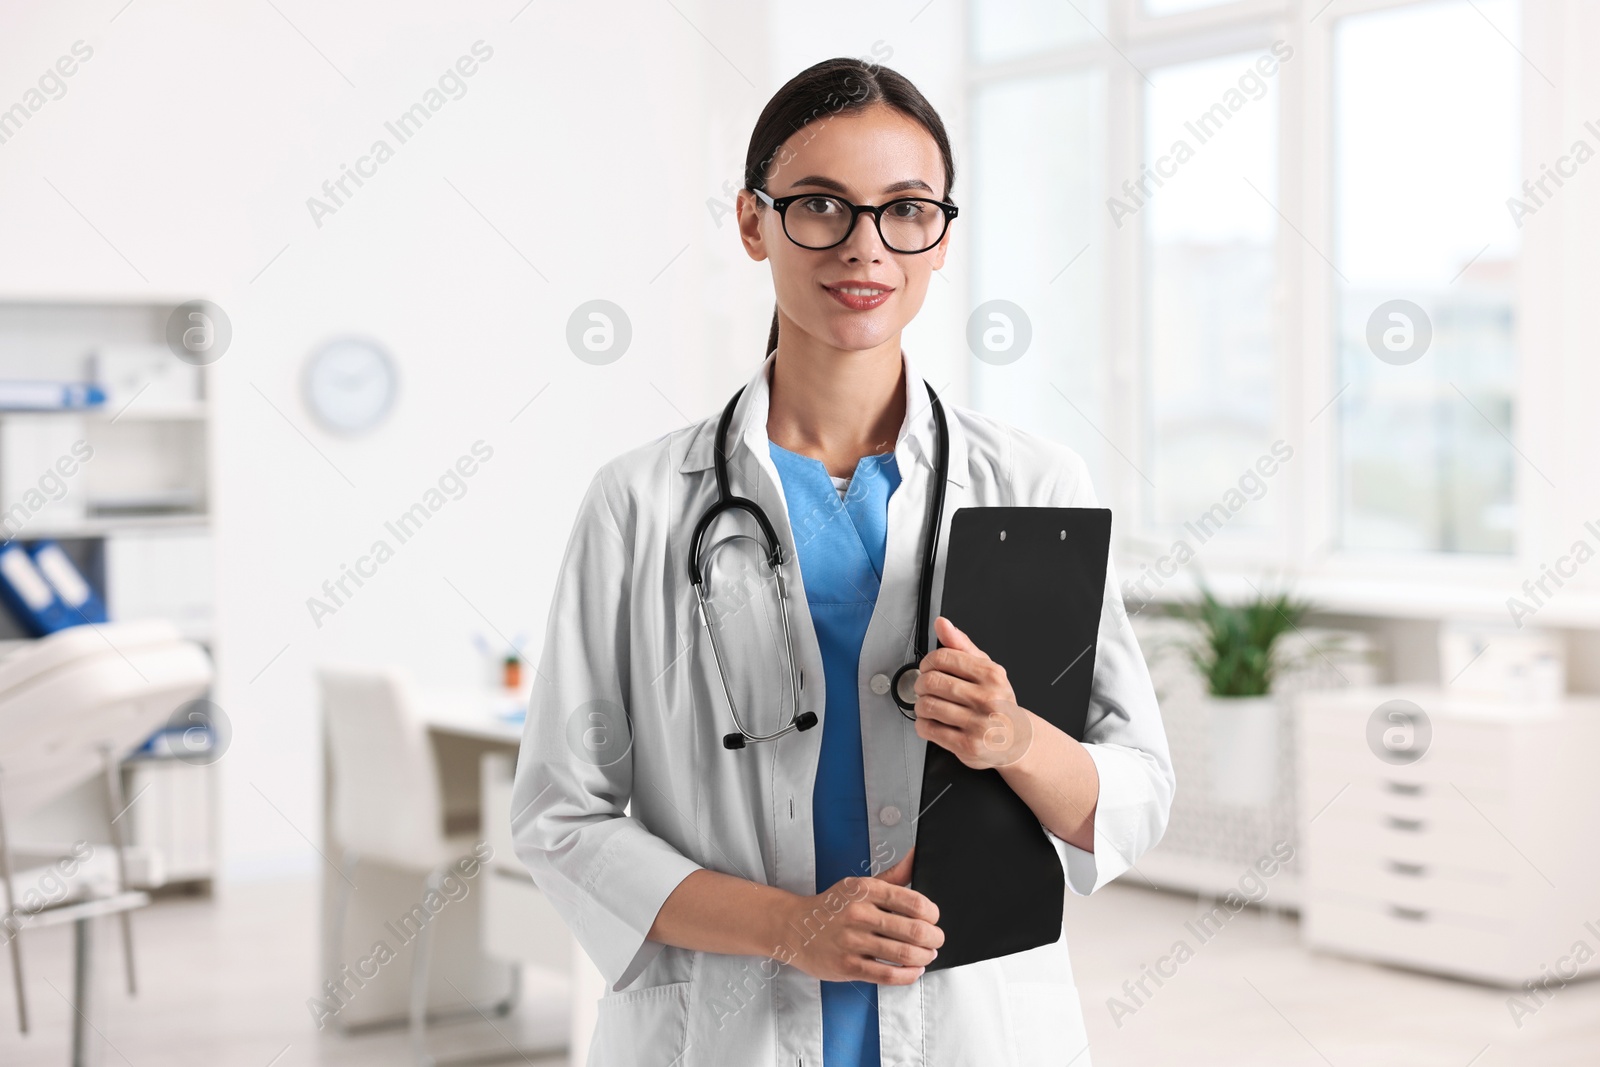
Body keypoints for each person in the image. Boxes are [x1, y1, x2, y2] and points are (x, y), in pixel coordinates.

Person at [509, 56, 1175, 1067]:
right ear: (751, 221)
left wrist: (1013, 738)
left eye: (906, 210)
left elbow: (1133, 788)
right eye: (820, 205)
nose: (865, 247)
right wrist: (791, 927)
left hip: (970, 1021)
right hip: (730, 1024)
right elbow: (562, 815)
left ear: (941, 235)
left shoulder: (1031, 478)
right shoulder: (641, 501)